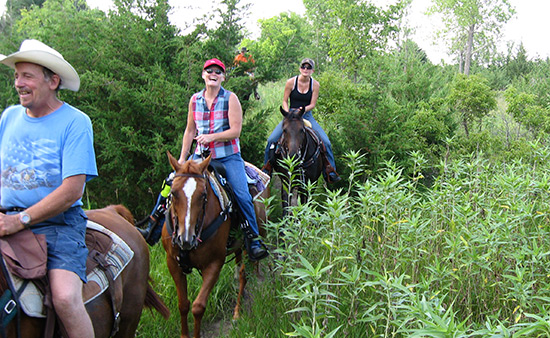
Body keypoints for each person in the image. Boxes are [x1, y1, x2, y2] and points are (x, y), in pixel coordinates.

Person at [0, 40, 97, 337]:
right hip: (5, 220)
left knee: (66, 299)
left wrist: (20, 220)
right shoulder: (8, 117)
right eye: (17, 76)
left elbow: (72, 190)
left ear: (53, 80)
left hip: (58, 226)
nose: (19, 83)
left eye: (27, 76)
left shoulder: (75, 122)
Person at [140, 58, 268, 261]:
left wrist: (211, 137)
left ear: (223, 77)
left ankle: (253, 240)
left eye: (218, 72)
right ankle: (152, 228)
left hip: (227, 157)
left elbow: (235, 131)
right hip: (199, 158)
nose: (213, 74)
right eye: (209, 71)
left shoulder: (230, 98)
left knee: (242, 194)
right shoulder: (195, 100)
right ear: (203, 75)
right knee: (171, 184)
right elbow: (190, 130)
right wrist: (182, 159)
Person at [263, 58, 341, 183]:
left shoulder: (315, 84)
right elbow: (284, 100)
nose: (305, 69)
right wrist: (288, 113)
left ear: (312, 70)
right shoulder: (290, 82)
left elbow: (312, 104)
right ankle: (267, 169)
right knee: (272, 139)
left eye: (308, 68)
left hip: (306, 115)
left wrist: (303, 110)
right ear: (300, 69)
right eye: (303, 67)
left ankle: (330, 171)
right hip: (291, 115)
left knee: (325, 142)